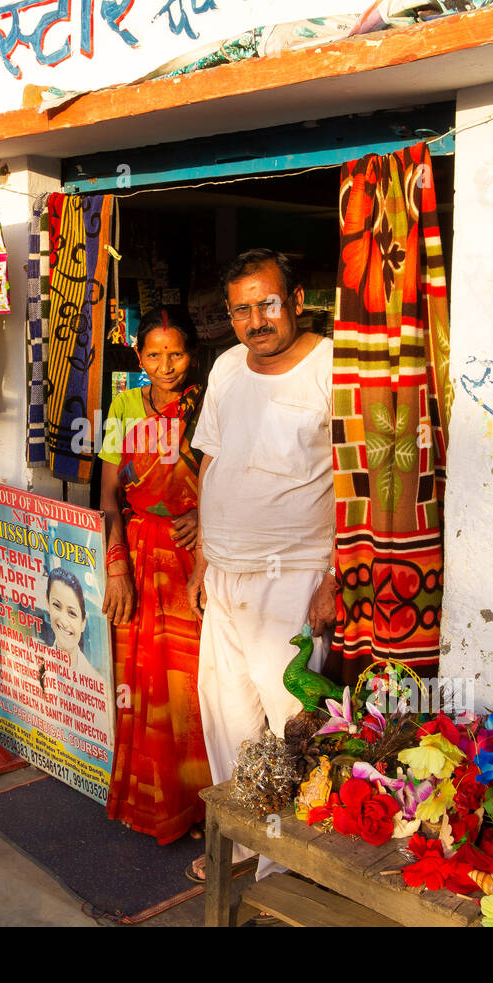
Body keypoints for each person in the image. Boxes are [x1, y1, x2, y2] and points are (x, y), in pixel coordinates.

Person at [185, 248, 338, 882]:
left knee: (291, 720)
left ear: (297, 300)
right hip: (222, 575)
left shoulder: (334, 368)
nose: (257, 320)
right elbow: (212, 463)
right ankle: (247, 840)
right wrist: (201, 559)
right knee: (226, 715)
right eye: (242, 310)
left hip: (293, 579)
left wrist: (336, 578)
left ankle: (289, 868)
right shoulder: (224, 367)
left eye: (267, 304)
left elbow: (360, 478)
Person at [99, 306, 212, 845]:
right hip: (139, 561)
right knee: (140, 684)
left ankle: (199, 806)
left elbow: (229, 479)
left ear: (192, 354)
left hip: (193, 561)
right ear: (138, 356)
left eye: (177, 353)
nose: (167, 367)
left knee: (193, 687)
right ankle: (150, 801)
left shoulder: (209, 406)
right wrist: (116, 565)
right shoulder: (123, 405)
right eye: (154, 355)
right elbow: (109, 497)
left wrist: (204, 516)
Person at [42, 567, 100, 688]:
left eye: (72, 613)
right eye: (57, 605)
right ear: (47, 603)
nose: (63, 621)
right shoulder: (36, 666)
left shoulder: (99, 686)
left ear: (83, 622)